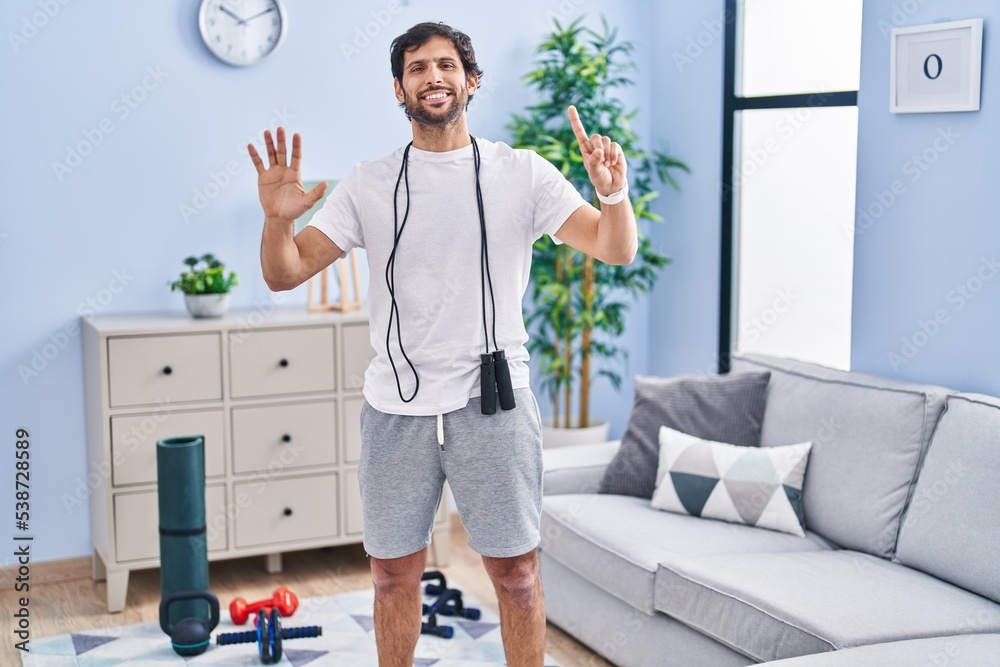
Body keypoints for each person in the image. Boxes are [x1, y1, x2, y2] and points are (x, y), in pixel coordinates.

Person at [248, 20, 636, 667]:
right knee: (393, 575)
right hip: (395, 405)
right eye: (419, 68)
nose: (434, 76)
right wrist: (274, 221)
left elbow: (615, 246)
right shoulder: (368, 182)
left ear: (471, 81)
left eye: (447, 65)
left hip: (496, 402)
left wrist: (613, 192)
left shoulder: (523, 173)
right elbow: (284, 272)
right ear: (398, 90)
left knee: (515, 573)